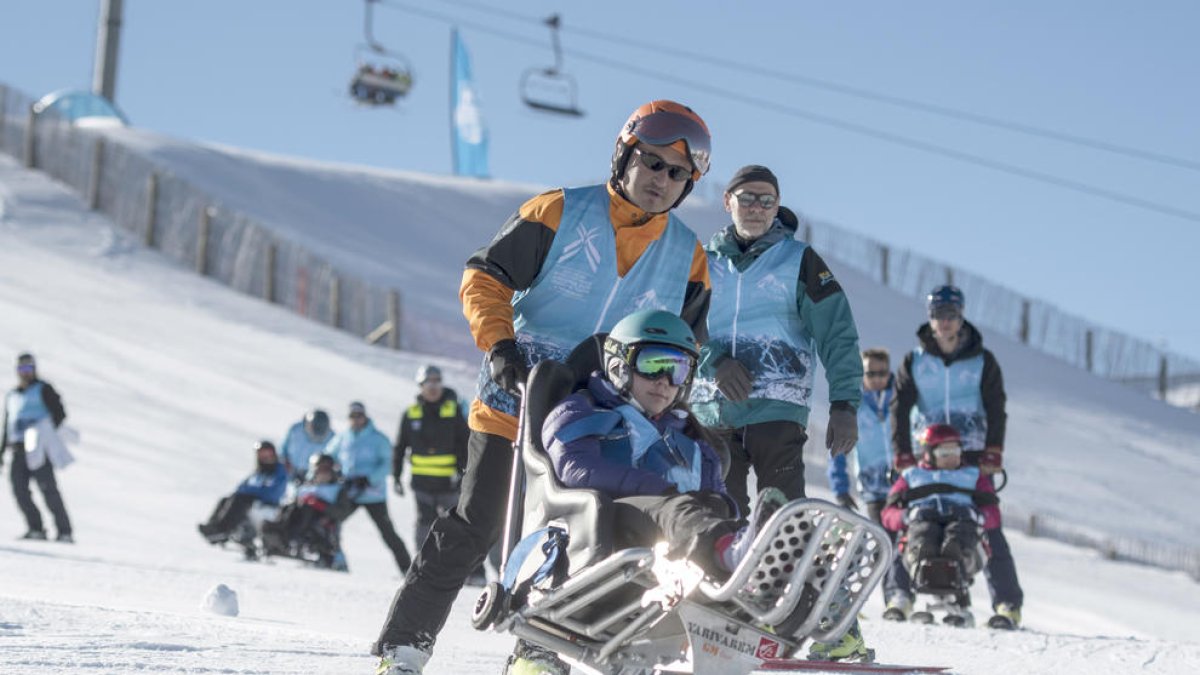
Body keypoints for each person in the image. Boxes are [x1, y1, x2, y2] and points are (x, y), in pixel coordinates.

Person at [373, 99, 715, 675]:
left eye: (677, 173)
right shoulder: (561, 211)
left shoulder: (689, 256)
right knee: (475, 524)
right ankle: (403, 649)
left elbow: (684, 348)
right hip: (516, 400)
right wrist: (501, 346)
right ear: (624, 156)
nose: (661, 180)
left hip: (599, 421)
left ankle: (536, 652)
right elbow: (485, 276)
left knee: (571, 536)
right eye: (652, 163)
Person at [690, 164, 863, 519]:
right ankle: (722, 575)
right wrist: (716, 362)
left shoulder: (799, 261)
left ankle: (782, 575)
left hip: (777, 410)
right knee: (720, 516)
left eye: (766, 201)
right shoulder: (703, 262)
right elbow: (683, 324)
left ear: (777, 205)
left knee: (782, 519)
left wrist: (844, 403)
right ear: (728, 201)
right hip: (712, 411)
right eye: (747, 198)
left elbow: (836, 331)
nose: (756, 207)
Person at [890, 285, 1024, 629]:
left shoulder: (982, 360)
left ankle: (1007, 603)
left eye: (950, 315)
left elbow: (997, 406)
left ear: (961, 316)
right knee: (913, 521)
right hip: (927, 455)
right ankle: (900, 595)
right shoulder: (915, 360)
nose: (944, 322)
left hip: (973, 455)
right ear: (930, 318)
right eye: (938, 315)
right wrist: (902, 451)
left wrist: (994, 450)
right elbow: (899, 406)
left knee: (985, 525)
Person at [881, 424, 999, 590]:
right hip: (923, 519)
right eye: (944, 453)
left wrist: (979, 516)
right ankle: (923, 557)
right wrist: (906, 515)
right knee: (923, 531)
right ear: (929, 454)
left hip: (962, 518)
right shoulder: (912, 476)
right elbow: (888, 514)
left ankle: (957, 556)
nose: (952, 458)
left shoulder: (972, 475)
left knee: (961, 530)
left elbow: (993, 512)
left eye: (956, 452)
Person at [328, 401, 412, 574]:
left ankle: (408, 570)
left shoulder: (378, 438)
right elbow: (329, 455)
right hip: (350, 493)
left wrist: (369, 479)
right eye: (352, 416)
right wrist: (332, 471)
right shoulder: (343, 437)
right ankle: (334, 559)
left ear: (365, 416)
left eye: (359, 416)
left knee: (388, 533)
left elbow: (388, 463)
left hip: (373, 494)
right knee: (331, 523)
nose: (356, 419)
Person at [393, 365, 469, 548]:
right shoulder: (411, 414)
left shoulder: (454, 410)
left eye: (437, 381)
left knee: (457, 527)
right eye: (428, 382)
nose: (433, 386)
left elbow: (465, 444)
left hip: (449, 484)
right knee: (424, 527)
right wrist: (396, 476)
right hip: (422, 484)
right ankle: (422, 570)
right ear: (420, 385)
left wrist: (464, 474)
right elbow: (400, 447)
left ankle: (472, 574)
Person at [1, 353, 73, 542]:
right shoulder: (12, 395)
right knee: (19, 489)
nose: (26, 373)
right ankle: (36, 528)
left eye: (29, 368)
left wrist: (44, 430)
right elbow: (7, 425)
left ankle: (64, 531)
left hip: (37, 445)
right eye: (22, 369)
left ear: (34, 369)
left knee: (47, 488)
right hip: (17, 447)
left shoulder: (43, 389)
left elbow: (59, 413)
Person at [827, 348, 895, 522]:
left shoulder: (901, 401)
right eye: (871, 374)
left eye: (882, 373)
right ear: (862, 374)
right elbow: (838, 451)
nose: (877, 379)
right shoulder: (855, 407)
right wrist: (841, 491)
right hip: (873, 490)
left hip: (904, 486)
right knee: (883, 539)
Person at [198, 440, 289, 556]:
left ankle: (224, 529)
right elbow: (241, 487)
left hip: (268, 506)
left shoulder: (279, 471)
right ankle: (214, 527)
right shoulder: (259, 472)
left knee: (240, 500)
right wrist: (249, 490)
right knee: (227, 499)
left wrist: (252, 491)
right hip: (252, 502)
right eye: (261, 454)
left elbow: (274, 492)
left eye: (267, 453)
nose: (265, 457)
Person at [262, 453, 348, 570]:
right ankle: (280, 536)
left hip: (322, 521)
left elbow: (341, 512)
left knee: (308, 509)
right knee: (291, 508)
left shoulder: (336, 490)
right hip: (298, 517)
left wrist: (319, 505)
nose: (322, 474)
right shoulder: (305, 487)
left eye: (326, 470)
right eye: (319, 470)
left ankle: (299, 542)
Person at [280, 409, 333, 482]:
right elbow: (283, 448)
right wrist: (284, 460)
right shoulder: (295, 430)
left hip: (314, 475)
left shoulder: (332, 437)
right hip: (292, 470)